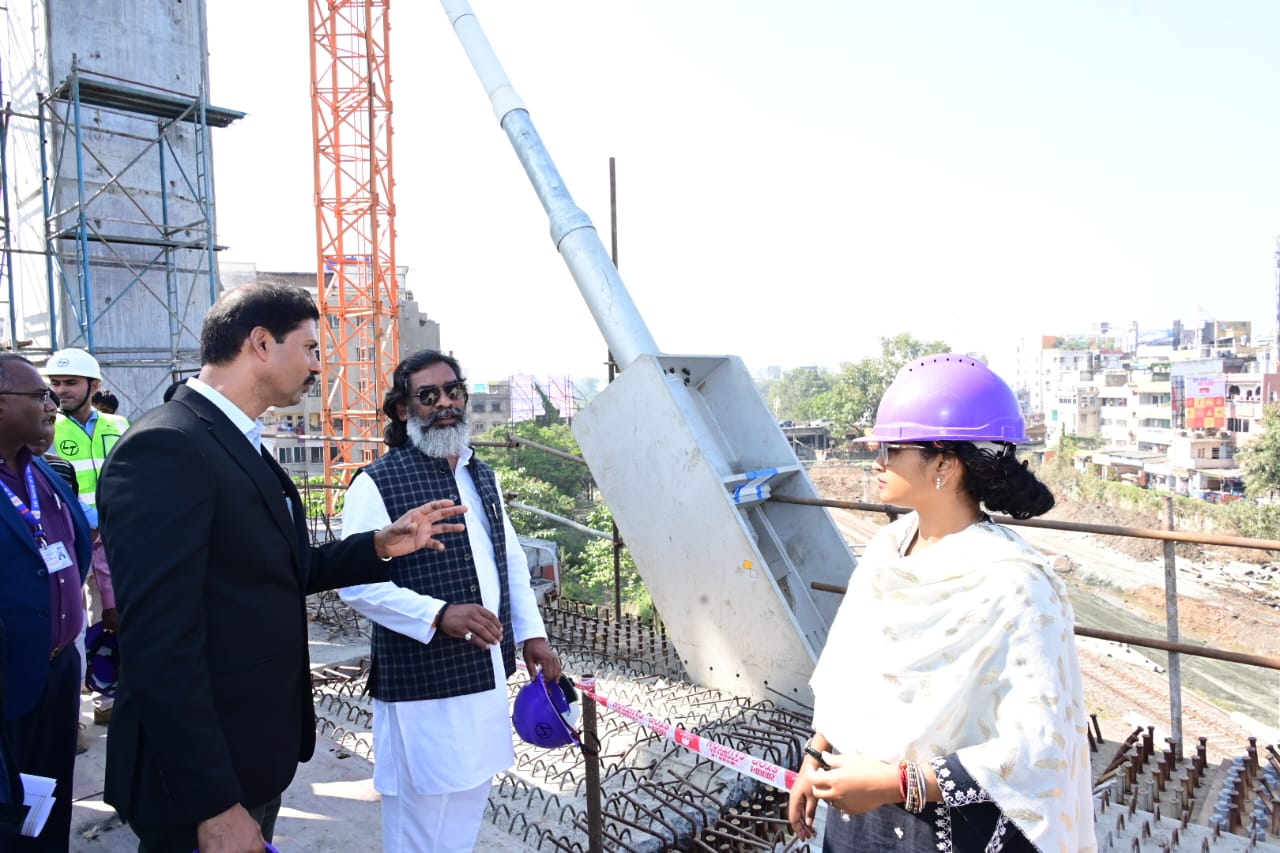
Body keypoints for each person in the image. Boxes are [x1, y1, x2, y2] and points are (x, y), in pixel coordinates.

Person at [97, 284, 468, 853]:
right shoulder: (168, 447)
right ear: (262, 343)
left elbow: (281, 569)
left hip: (249, 753)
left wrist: (382, 545)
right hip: (203, 780)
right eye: (311, 349)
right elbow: (159, 644)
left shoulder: (236, 441)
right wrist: (214, 805)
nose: (319, 366)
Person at [787, 353, 1094, 852]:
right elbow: (851, 670)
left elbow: (1038, 745)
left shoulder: (1015, 584)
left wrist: (894, 784)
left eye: (890, 448)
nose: (877, 461)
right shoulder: (890, 549)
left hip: (950, 825)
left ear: (945, 465)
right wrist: (815, 757)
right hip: (858, 813)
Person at [339, 349, 563, 853]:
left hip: (482, 678)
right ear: (403, 410)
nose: (445, 403)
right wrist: (438, 615)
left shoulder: (482, 476)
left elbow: (509, 565)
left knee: (464, 815)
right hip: (422, 687)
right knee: (421, 829)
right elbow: (356, 584)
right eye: (428, 395)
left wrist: (533, 635)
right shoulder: (376, 483)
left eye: (453, 391)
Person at [0, 354, 93, 852]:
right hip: (10, 673)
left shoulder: (45, 473)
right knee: (9, 808)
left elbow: (72, 550)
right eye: (39, 395)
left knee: (52, 793)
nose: (50, 403)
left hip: (58, 668)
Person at [40, 348, 127, 725]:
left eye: (70, 382)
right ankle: (71, 717)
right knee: (68, 625)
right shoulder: (45, 427)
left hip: (113, 539)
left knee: (112, 618)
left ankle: (108, 702)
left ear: (94, 385)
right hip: (68, 541)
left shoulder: (118, 426)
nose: (62, 390)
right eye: (56, 383)